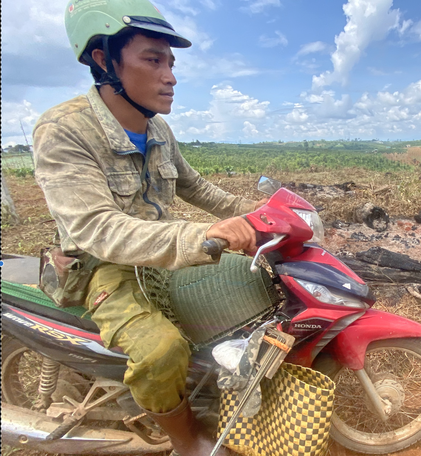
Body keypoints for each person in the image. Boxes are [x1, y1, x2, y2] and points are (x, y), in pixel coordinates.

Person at [32, 1, 262, 454]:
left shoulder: (157, 128)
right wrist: (202, 235)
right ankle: (186, 439)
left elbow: (197, 188)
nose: (170, 75)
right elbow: (99, 229)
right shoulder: (64, 130)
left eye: (171, 62)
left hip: (162, 259)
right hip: (106, 268)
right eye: (153, 59)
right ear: (104, 60)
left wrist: (257, 212)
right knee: (161, 351)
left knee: (248, 292)